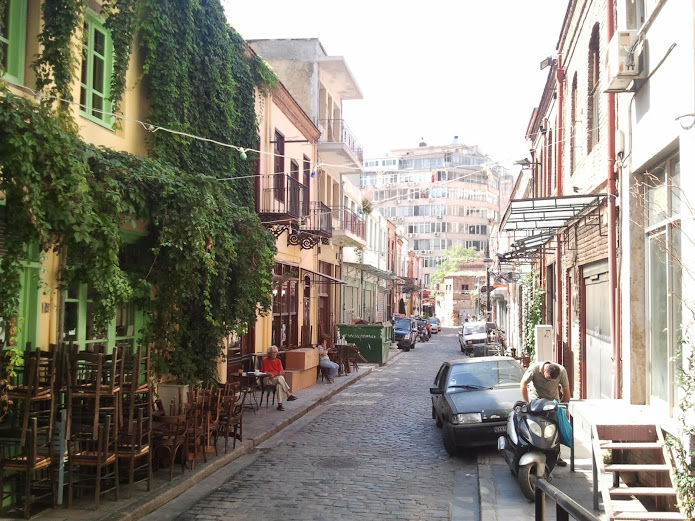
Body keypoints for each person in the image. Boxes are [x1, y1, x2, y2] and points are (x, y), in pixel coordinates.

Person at [520, 360, 571, 466]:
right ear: (544, 371)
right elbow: (523, 384)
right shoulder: (534, 369)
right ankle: (534, 451)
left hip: (552, 402)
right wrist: (527, 403)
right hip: (536, 402)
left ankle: (556, 455)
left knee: (555, 428)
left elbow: (566, 390)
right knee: (536, 426)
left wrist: (564, 407)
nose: (549, 381)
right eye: (548, 379)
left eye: (552, 380)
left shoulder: (561, 371)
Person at [260, 345, 297, 411]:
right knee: (280, 378)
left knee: (279, 384)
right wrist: (274, 374)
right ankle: (288, 394)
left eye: (275, 352)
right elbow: (265, 372)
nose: (274, 354)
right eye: (273, 353)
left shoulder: (278, 361)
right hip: (267, 379)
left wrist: (274, 374)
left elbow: (282, 372)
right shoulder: (265, 361)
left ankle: (280, 404)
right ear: (269, 354)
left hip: (276, 378)